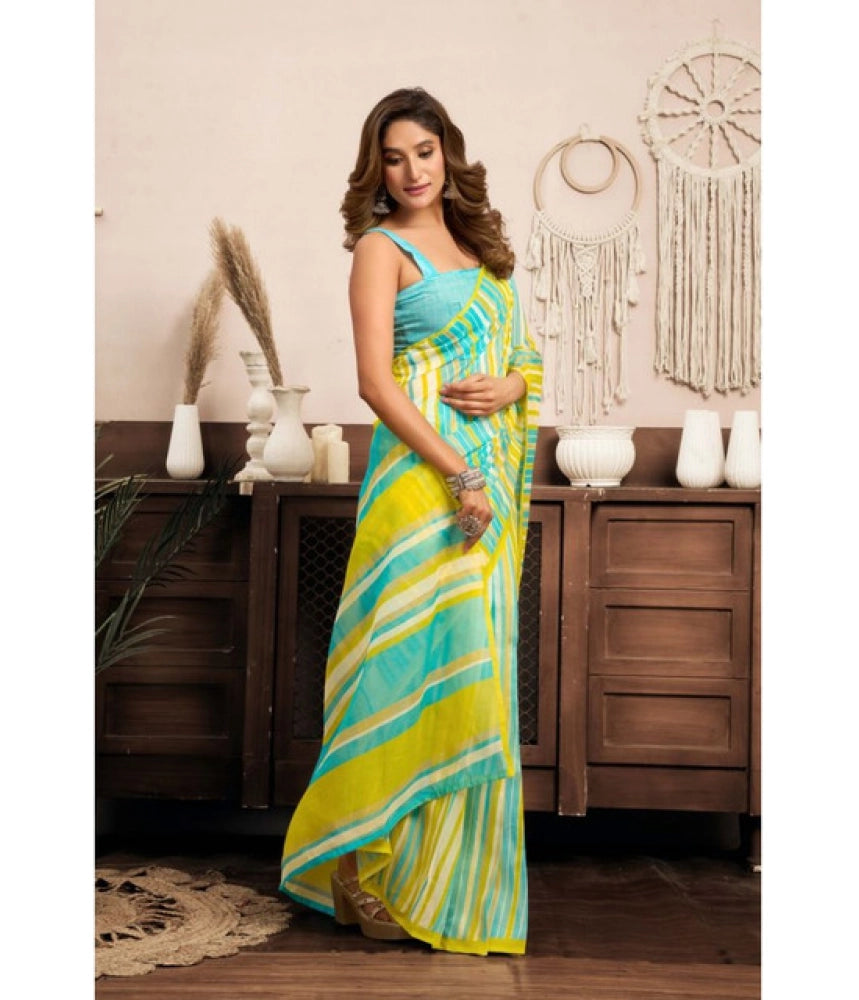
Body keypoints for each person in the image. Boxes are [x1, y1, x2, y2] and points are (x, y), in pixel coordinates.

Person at [279, 86, 542, 956]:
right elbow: (375, 382)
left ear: (448, 153)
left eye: (423, 152)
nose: (411, 171)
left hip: (486, 489)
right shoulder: (378, 248)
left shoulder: (483, 249)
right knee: (400, 665)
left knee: (467, 669)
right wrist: (458, 471)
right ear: (377, 169)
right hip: (422, 485)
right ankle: (364, 865)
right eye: (393, 158)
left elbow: (520, 357)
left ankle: (441, 875)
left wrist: (513, 386)